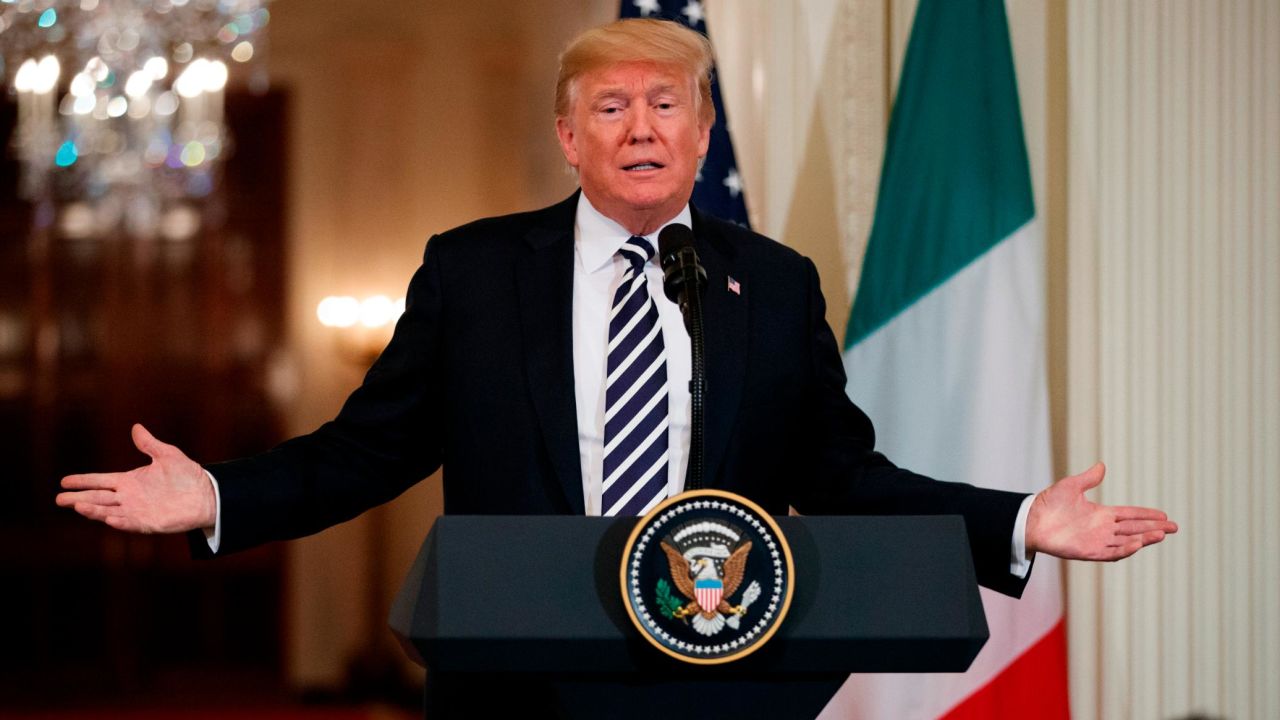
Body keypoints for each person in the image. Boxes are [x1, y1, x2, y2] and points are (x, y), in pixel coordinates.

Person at [56, 17, 1175, 713]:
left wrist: (1018, 521)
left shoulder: (772, 285)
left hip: (721, 677)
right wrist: (216, 495)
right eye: (611, 107)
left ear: (697, 136)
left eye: (665, 105)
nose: (640, 127)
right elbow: (371, 449)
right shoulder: (476, 271)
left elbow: (842, 475)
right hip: (517, 683)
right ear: (568, 136)